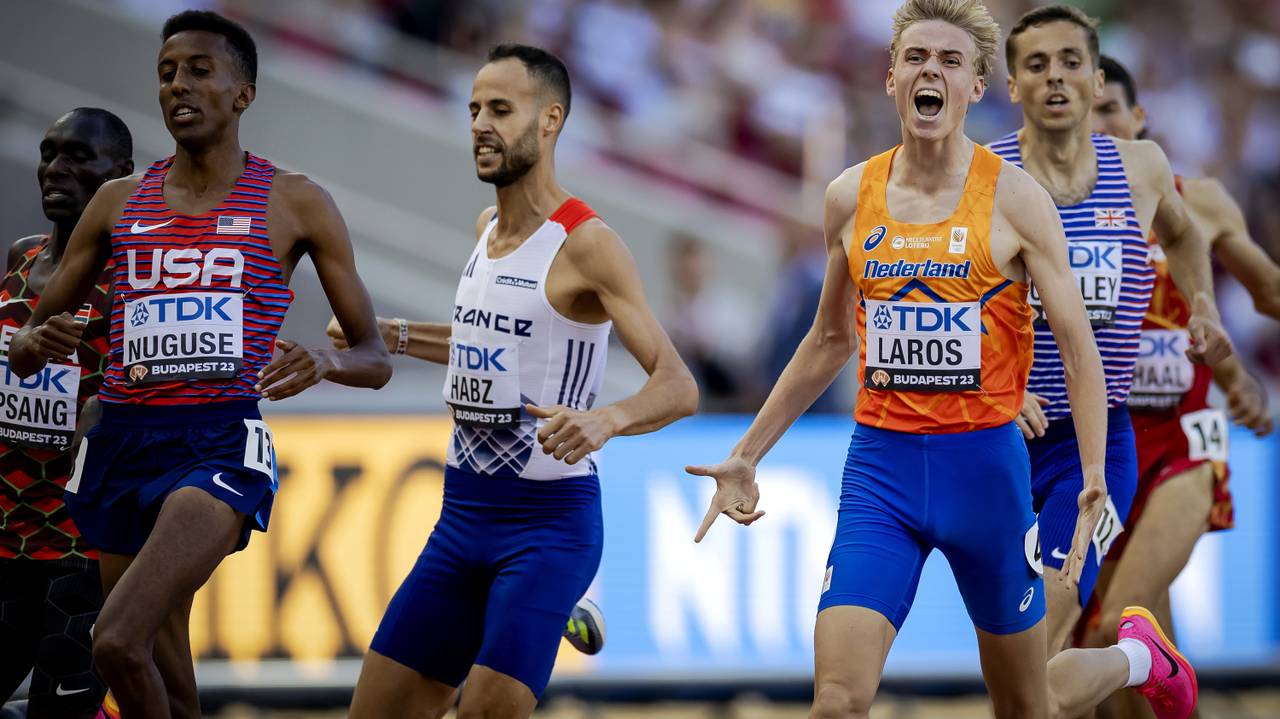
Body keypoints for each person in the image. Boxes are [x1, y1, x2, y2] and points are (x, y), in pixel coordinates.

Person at [687, 2, 1197, 717]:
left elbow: (1080, 349)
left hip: (986, 475)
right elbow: (830, 339)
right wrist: (747, 452)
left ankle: (1139, 658)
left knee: (1026, 705)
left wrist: (1089, 472)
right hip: (881, 473)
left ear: (977, 87)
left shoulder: (1017, 200)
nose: (932, 71)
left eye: (951, 61)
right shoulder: (848, 197)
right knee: (836, 700)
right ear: (891, 75)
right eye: (918, 57)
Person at [8, 12, 392, 719]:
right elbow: (31, 341)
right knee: (167, 676)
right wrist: (37, 345)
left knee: (117, 641)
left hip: (217, 446)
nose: (178, 85)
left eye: (198, 70)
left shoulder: (296, 202)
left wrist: (327, 357)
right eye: (165, 73)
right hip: (119, 443)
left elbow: (375, 358)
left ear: (243, 93)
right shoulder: (117, 203)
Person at [343, 44, 697, 719]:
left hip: (548, 527)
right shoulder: (485, 231)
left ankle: (576, 591)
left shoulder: (587, 243)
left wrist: (606, 418)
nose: (479, 124)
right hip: (461, 517)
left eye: (500, 110)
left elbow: (679, 385)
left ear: (549, 121)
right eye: (474, 108)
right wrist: (393, 334)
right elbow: (488, 344)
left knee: (483, 709)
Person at [995, 7, 1235, 717]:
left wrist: (1205, 307)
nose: (1057, 77)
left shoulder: (1144, 169)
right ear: (1012, 84)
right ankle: (1141, 658)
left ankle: (1135, 653)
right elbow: (961, 297)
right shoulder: (987, 176)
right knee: (1016, 677)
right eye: (1037, 64)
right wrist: (1001, 385)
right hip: (997, 443)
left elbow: (1189, 239)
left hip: (1096, 445)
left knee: (1041, 650)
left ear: (1097, 77)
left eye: (1071, 61)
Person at [1086, 53, 1279, 718]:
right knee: (1130, 662)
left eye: (1109, 107)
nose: (1098, 123)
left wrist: (1237, 379)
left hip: (1184, 440)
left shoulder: (1202, 201)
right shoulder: (1056, 215)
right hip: (1098, 451)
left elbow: (1265, 293)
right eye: (1084, 112)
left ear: (1140, 117)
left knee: (1118, 624)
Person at [0, 108, 132, 719]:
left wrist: (96, 414)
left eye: (79, 156)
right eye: (50, 152)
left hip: (74, 548)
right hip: (5, 534)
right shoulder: (21, 259)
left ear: (121, 177)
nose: (56, 168)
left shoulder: (133, 281)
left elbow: (131, 395)